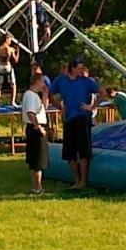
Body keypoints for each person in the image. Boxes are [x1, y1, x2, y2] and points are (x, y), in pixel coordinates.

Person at [48, 58, 98, 190]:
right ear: (72, 68)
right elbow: (49, 92)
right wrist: (58, 106)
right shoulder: (61, 80)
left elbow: (103, 91)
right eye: (79, 68)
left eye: (82, 68)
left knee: (83, 151)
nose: (81, 71)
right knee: (69, 151)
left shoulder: (86, 81)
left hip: (82, 117)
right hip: (69, 118)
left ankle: (83, 181)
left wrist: (92, 107)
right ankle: (76, 180)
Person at [22, 72, 49, 195]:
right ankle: (37, 187)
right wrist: (39, 128)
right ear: (37, 82)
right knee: (38, 159)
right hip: (35, 129)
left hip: (35, 127)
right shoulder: (30, 95)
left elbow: (42, 108)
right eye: (42, 82)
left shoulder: (34, 96)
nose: (43, 84)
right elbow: (31, 113)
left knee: (36, 159)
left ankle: (36, 186)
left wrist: (45, 94)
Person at [0, 33, 20, 107]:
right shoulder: (10, 49)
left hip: (0, 66)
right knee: (13, 84)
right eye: (10, 39)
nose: (10, 41)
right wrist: (17, 51)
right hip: (8, 67)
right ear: (7, 39)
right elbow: (16, 60)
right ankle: (12, 102)